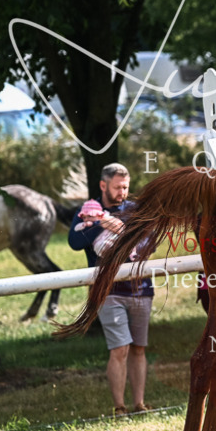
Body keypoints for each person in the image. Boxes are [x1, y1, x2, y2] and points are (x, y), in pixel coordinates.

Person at [68, 163, 153, 415]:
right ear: (103, 185)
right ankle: (119, 407)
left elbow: (149, 241)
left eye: (125, 187)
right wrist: (102, 223)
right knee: (120, 348)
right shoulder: (88, 212)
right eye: (117, 187)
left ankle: (139, 404)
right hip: (108, 290)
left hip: (140, 287)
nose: (122, 192)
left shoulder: (135, 210)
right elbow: (74, 241)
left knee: (139, 348)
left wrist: (123, 232)